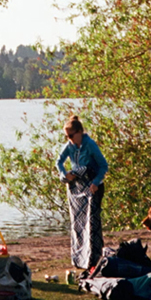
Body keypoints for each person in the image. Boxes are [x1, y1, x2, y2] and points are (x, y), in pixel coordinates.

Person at [56, 114, 109, 269]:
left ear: (79, 132)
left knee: (92, 225)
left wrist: (95, 182)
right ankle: (80, 259)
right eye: (66, 136)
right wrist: (63, 174)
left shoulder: (90, 144)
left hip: (93, 187)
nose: (69, 139)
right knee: (78, 225)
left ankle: (94, 259)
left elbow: (103, 166)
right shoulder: (70, 146)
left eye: (71, 135)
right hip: (77, 190)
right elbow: (59, 161)